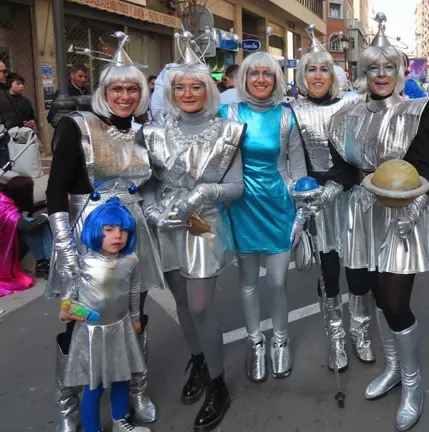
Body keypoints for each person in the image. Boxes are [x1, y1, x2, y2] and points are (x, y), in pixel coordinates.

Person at [325, 14, 429, 430]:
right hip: (362, 215)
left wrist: (416, 203)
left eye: (389, 67)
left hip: (403, 215)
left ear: (400, 72)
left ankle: (414, 384)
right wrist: (325, 191)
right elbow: (343, 167)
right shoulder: (347, 116)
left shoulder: (419, 111)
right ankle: (394, 368)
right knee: (376, 297)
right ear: (364, 73)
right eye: (373, 68)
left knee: (396, 302)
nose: (381, 74)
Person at [45, 32, 162, 431]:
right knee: (77, 321)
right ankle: (68, 406)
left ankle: (135, 390)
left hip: (133, 237)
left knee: (134, 313)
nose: (125, 95)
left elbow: (155, 185)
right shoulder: (77, 126)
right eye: (117, 88)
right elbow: (55, 190)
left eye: (132, 88)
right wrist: (66, 251)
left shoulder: (146, 130)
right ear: (103, 91)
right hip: (83, 238)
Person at [138, 35, 244, 430]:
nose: (187, 93)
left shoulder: (228, 131)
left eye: (196, 86)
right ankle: (198, 360)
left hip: (203, 223)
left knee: (200, 304)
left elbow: (237, 186)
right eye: (179, 87)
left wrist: (201, 194)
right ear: (169, 91)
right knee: (181, 301)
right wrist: (150, 208)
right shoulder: (154, 132)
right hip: (164, 221)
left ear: (209, 90)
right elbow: (147, 180)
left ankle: (218, 384)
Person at [218, 51, 307, 382]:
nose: (259, 79)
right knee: (247, 282)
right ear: (243, 78)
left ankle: (280, 340)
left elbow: (297, 169)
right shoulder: (227, 113)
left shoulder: (287, 117)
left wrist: (303, 208)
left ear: (275, 79)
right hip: (241, 206)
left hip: (279, 207)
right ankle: (255, 342)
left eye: (266, 74)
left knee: (278, 281)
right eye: (253, 73)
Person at [288, 26, 370, 372]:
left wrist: (336, 187)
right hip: (316, 205)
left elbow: (361, 159)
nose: (317, 75)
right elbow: (291, 160)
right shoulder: (292, 110)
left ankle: (361, 331)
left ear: (333, 74)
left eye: (324, 69)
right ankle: (336, 335)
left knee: (359, 274)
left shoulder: (352, 105)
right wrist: (302, 193)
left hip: (350, 200)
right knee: (328, 275)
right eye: (311, 69)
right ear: (302, 75)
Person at [60, 197, 150, 432]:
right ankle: (92, 429)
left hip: (121, 329)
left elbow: (133, 291)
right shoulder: (82, 264)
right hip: (92, 336)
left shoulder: (130, 261)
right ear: (94, 231)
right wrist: (88, 316)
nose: (118, 236)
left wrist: (136, 317)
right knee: (94, 385)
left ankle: (120, 421)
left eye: (123, 231)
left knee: (122, 376)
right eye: (109, 230)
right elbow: (66, 307)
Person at [2, 175, 51, 278]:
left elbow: (28, 208)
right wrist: (48, 214)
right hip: (4, 255)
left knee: (38, 223)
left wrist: (47, 203)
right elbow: (27, 226)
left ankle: (45, 262)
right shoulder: (8, 212)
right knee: (32, 225)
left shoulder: (4, 199)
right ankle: (46, 261)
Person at [0, 176, 36, 296]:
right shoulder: (10, 213)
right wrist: (45, 218)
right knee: (30, 231)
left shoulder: (2, 199)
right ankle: (43, 263)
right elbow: (27, 227)